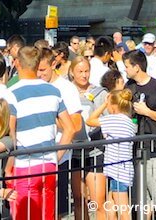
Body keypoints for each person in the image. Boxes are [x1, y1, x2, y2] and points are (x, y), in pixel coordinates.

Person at [8, 46, 74, 219]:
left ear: (17, 63)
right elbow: (70, 128)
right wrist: (56, 156)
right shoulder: (54, 91)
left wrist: (8, 168)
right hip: (49, 164)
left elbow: (11, 133)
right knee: (48, 214)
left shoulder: (11, 94)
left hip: (24, 165)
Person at [36, 48, 83, 218]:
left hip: (58, 159)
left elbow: (76, 126)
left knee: (55, 212)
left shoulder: (66, 88)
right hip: (34, 159)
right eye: (36, 70)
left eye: (42, 70)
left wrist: (50, 117)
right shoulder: (35, 85)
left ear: (53, 64)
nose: (39, 74)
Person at [123, 50, 156, 219]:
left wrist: (148, 112)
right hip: (135, 150)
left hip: (154, 149)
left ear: (137, 67)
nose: (125, 70)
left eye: (127, 66)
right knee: (142, 202)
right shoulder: (129, 87)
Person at [86, 89, 136, 220]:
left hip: (117, 170)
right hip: (123, 170)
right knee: (111, 206)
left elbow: (90, 121)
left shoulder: (114, 120)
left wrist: (103, 104)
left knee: (123, 210)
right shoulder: (128, 121)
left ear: (113, 106)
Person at [69, 56, 108, 220]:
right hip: (74, 152)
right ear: (72, 72)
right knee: (79, 199)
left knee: (98, 201)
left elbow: (108, 118)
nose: (84, 75)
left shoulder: (100, 93)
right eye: (80, 71)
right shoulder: (67, 91)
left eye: (87, 71)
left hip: (95, 151)